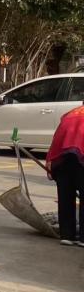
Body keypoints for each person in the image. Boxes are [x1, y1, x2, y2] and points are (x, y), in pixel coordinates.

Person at [47, 102, 84, 247]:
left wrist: (49, 162)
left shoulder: (70, 114)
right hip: (81, 159)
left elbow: (56, 140)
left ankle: (67, 235)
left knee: (65, 197)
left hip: (62, 160)